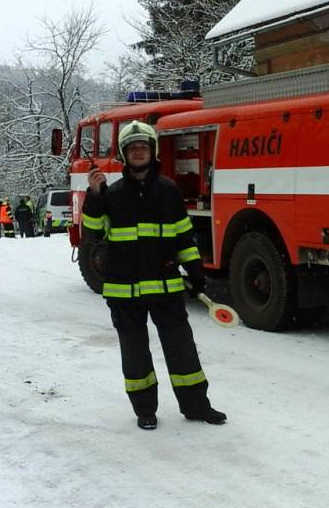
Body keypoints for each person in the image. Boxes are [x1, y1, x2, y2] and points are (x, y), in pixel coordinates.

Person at [82, 120, 226, 430]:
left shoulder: (169, 191)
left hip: (165, 286)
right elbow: (92, 235)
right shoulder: (111, 194)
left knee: (182, 350)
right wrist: (94, 196)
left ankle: (197, 406)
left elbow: (183, 236)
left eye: (143, 147)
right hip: (124, 292)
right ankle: (145, 410)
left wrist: (196, 271)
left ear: (153, 151)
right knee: (135, 356)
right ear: (124, 153)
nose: (138, 152)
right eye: (132, 148)